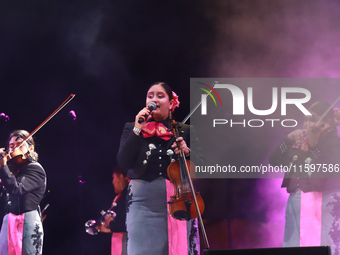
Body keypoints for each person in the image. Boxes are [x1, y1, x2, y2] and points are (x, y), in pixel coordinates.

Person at [116, 82, 204, 255]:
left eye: (160, 96)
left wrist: (187, 152)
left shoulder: (185, 130)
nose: (154, 99)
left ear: (171, 103)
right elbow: (123, 161)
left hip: (178, 201)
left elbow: (202, 167)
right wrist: (137, 128)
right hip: (141, 205)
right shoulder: (133, 128)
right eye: (150, 96)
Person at [269, 101, 340, 248]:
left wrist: (314, 145)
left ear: (325, 122)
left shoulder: (332, 141)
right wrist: (287, 140)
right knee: (294, 244)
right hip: (297, 197)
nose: (307, 123)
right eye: (306, 119)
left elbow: (328, 169)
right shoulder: (301, 140)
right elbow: (274, 160)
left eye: (312, 119)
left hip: (321, 199)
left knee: (318, 243)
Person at [0, 130, 46, 255]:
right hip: (9, 219)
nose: (14, 148)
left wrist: (3, 167)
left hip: (27, 220)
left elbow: (16, 188)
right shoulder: (12, 170)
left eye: (19, 144)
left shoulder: (35, 168)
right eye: (11, 146)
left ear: (30, 148)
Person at [97, 166, 129, 255]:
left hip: (126, 244)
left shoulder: (127, 196)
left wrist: (110, 226)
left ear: (121, 177)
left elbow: (126, 222)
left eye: (114, 177)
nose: (112, 181)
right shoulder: (121, 197)